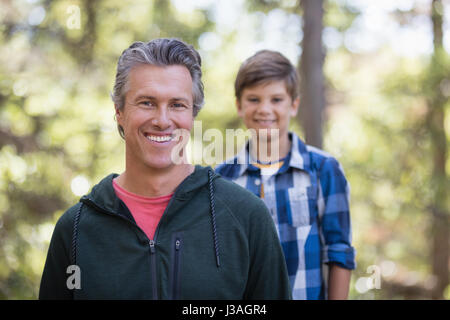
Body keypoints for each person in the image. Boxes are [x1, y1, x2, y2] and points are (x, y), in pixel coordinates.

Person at [39, 39, 291, 300]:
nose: (162, 120)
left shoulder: (246, 216)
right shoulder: (76, 229)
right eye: (147, 102)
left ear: (192, 115)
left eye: (177, 104)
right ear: (119, 113)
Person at [216, 50, 356, 300]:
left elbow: (339, 252)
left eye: (276, 99)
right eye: (254, 99)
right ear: (239, 105)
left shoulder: (324, 169)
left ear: (293, 104)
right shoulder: (222, 179)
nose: (265, 109)